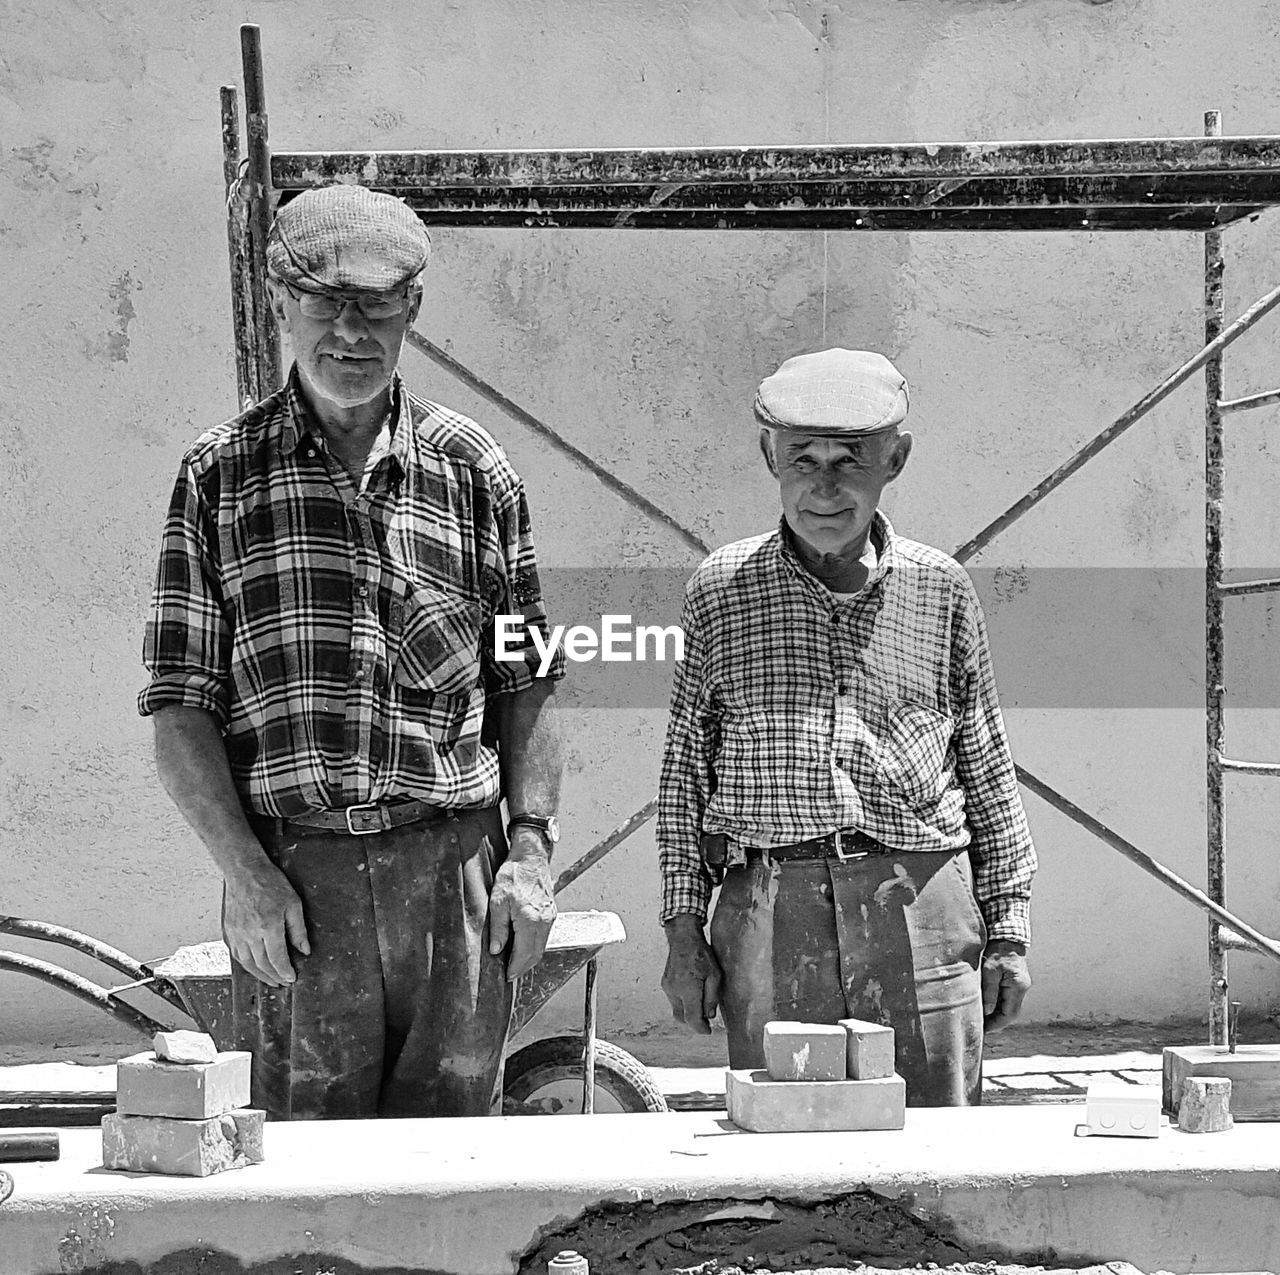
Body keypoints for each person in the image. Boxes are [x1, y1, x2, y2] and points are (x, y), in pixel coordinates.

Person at [139, 184, 565, 1119]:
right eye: (324, 303)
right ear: (279, 301)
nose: (349, 330)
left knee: (456, 1171)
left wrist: (530, 853)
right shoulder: (219, 476)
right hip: (296, 881)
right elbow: (180, 710)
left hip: (454, 876)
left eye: (376, 304)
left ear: (411, 307)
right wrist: (246, 877)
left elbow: (527, 680)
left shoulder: (478, 472)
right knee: (299, 1173)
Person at [657, 347, 1036, 1106]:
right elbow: (682, 777)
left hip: (920, 907)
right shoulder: (721, 590)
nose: (823, 486)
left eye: (849, 460)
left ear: (895, 458)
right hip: (768, 907)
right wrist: (682, 934)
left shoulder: (942, 591)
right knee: (785, 1143)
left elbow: (988, 763)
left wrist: (1010, 927)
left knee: (934, 1147)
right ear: (770, 456)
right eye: (803, 459)